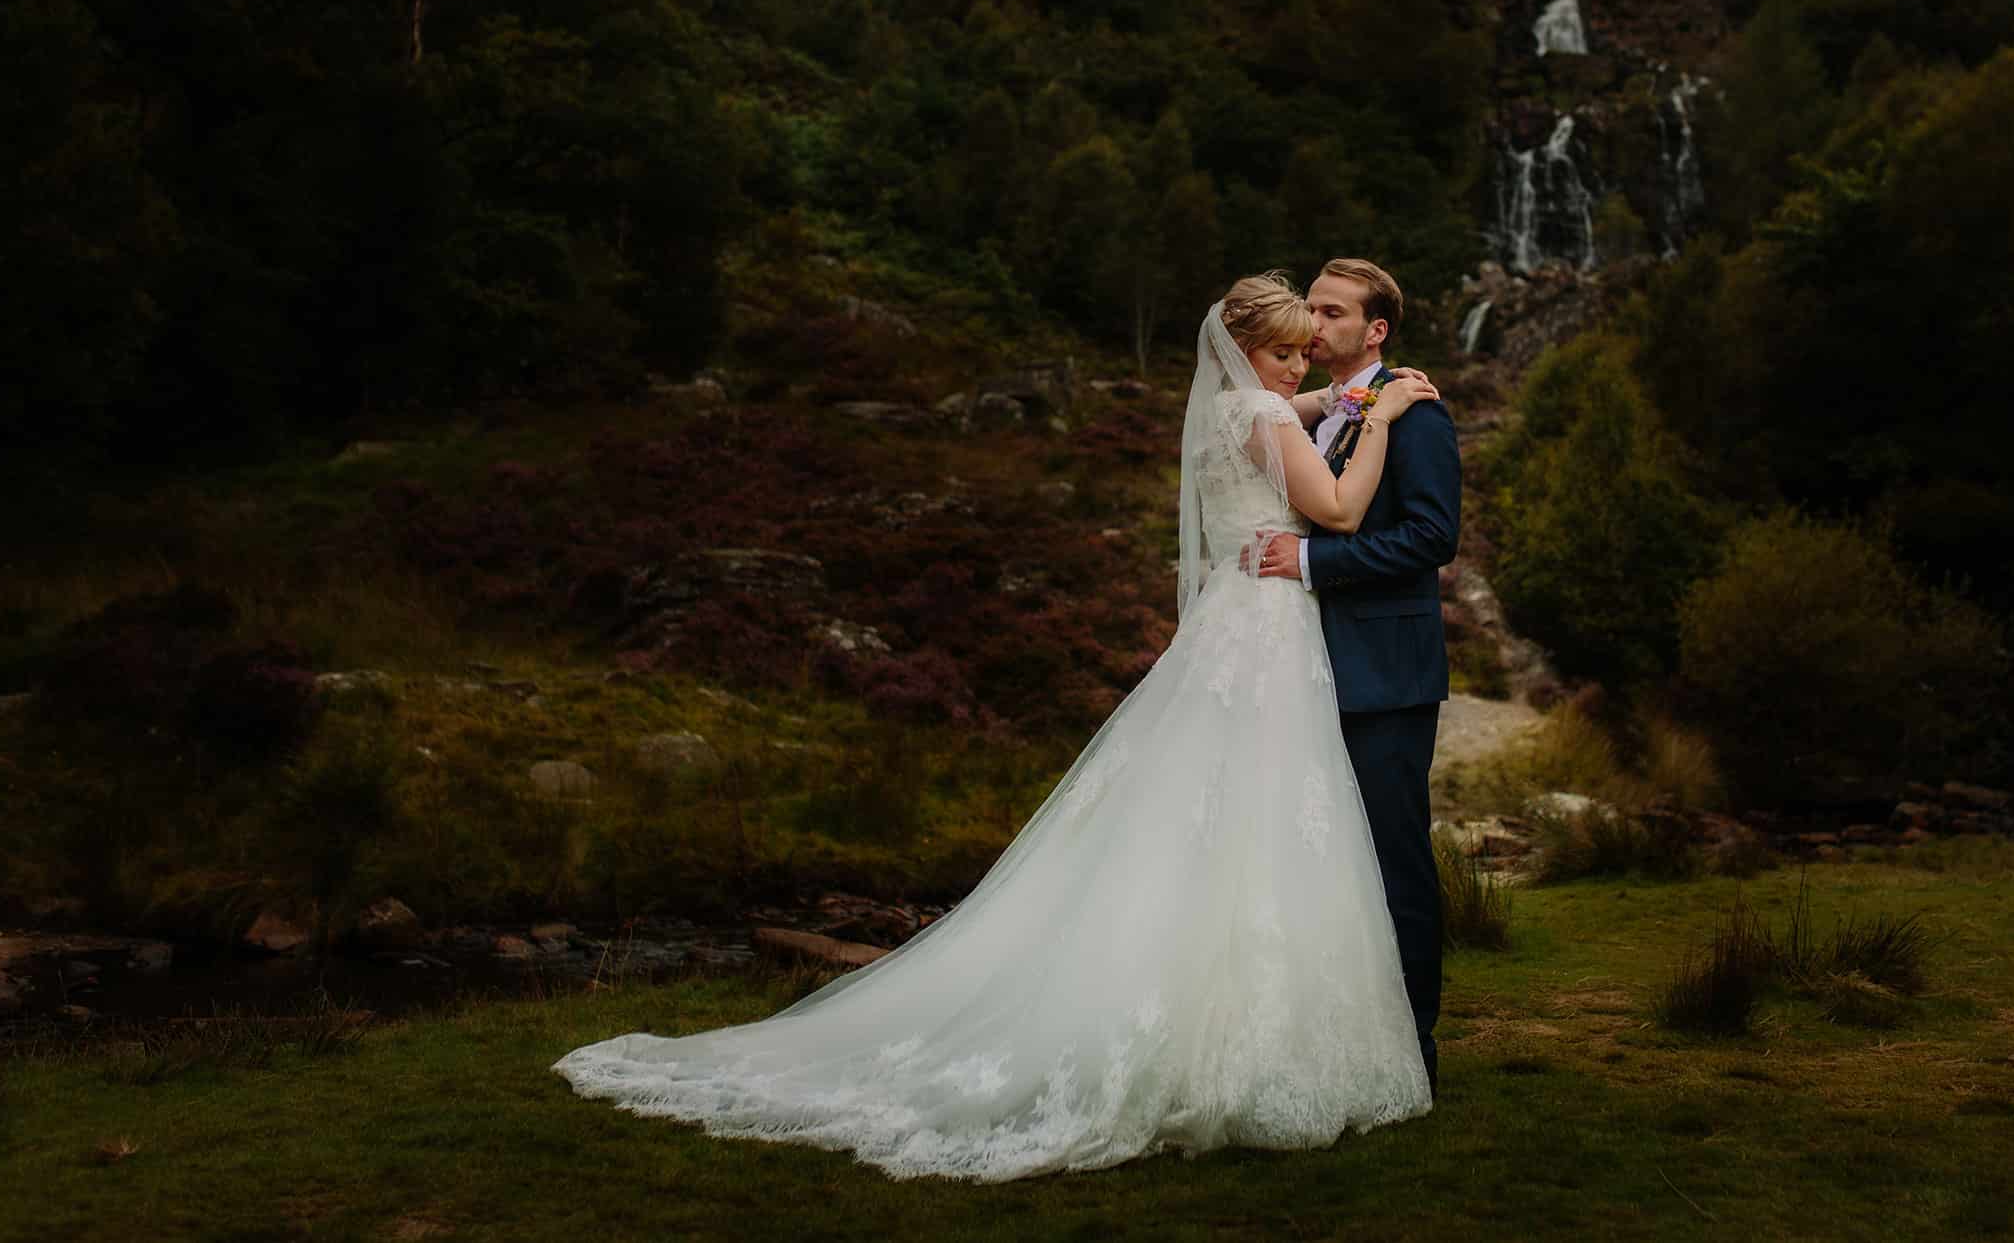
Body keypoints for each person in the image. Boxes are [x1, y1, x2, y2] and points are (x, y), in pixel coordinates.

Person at [552, 272, 1443, 1181]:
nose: (1301, 361)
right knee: (1262, 818)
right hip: (1267, 627)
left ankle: (1222, 1018)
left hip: (1232, 621)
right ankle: (1248, 1038)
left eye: (1309, 347)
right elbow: (1333, 511)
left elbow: (1286, 409)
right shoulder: (1271, 414)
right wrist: (1373, 420)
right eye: (1286, 349)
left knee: (1208, 818)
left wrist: (1335, 396)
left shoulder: (1225, 409)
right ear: (1248, 351)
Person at [1243, 258, 1460, 1094]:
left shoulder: (1416, 412)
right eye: (1310, 310)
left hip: (1387, 676)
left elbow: (1431, 537)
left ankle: (1414, 1051)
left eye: (1332, 312)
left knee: (1393, 860)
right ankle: (1337, 1042)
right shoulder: (1317, 412)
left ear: (1375, 329)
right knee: (1320, 859)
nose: (1315, 323)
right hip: (1302, 669)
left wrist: (1310, 556)